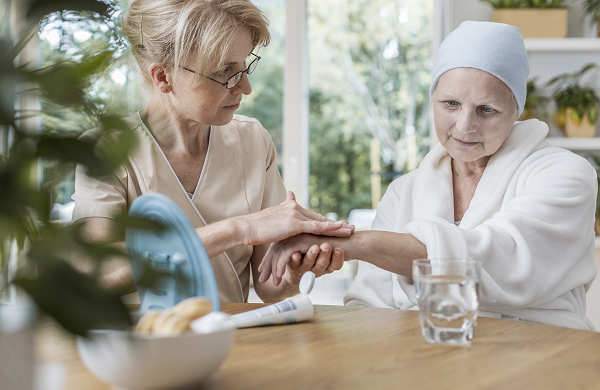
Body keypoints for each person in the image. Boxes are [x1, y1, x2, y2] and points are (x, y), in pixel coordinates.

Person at [259, 21, 598, 330]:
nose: (465, 126)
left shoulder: (566, 175)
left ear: (516, 110)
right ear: (432, 100)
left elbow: (501, 261)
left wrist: (350, 242)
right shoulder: (403, 192)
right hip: (427, 363)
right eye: (450, 104)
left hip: (542, 359)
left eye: (487, 110)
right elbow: (369, 306)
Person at [71, 0, 350, 304]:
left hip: (235, 344)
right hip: (144, 345)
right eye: (225, 73)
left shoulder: (253, 140)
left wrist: (295, 272)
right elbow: (95, 272)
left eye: (245, 67)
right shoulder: (104, 151)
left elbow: (269, 283)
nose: (245, 87)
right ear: (163, 77)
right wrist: (239, 229)